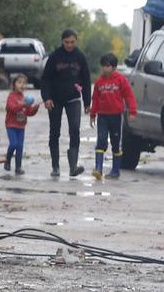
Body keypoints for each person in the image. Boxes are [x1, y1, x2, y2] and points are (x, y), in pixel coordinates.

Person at [40, 28, 92, 177]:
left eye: (72, 42)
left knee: (75, 130)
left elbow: (86, 80)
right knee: (54, 132)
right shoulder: (55, 56)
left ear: (76, 41)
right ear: (62, 41)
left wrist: (87, 102)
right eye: (66, 42)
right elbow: (46, 79)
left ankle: (73, 166)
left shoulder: (80, 57)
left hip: (74, 98)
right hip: (55, 99)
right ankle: (55, 166)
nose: (69, 45)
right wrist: (46, 97)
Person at [88, 52, 138, 180]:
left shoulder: (121, 80)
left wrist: (132, 111)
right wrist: (93, 114)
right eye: (103, 66)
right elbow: (96, 99)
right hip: (102, 117)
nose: (105, 68)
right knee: (101, 141)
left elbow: (129, 96)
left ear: (114, 67)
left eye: (108, 66)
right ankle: (98, 168)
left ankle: (115, 171)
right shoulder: (99, 82)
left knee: (116, 143)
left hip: (116, 116)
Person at [4, 74, 40, 175]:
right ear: (14, 84)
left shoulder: (24, 97)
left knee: (20, 147)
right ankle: (7, 160)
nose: (22, 85)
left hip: (21, 126)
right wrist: (23, 104)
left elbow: (29, 112)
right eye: (19, 82)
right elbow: (12, 108)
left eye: (24, 83)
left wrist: (35, 108)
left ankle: (18, 167)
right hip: (11, 125)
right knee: (13, 144)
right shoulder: (11, 96)